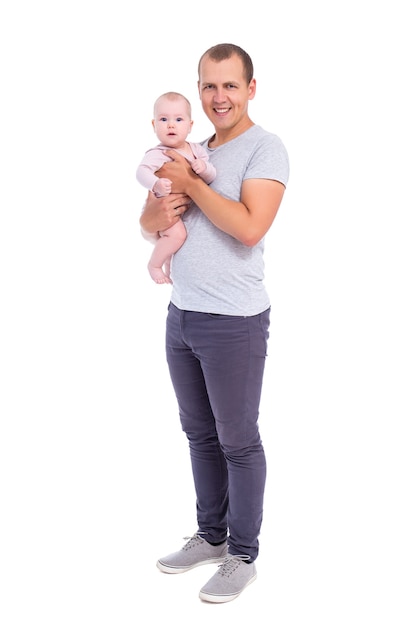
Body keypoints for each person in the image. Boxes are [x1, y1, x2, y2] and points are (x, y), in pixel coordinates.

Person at [140, 43, 289, 603]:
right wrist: (160, 202)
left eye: (229, 85)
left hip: (234, 322)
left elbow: (249, 228)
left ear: (251, 88)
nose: (218, 96)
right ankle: (210, 534)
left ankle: (242, 555)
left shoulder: (265, 149)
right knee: (198, 434)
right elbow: (149, 219)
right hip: (182, 314)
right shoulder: (191, 147)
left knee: (238, 441)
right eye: (208, 85)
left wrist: (192, 184)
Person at [136, 91, 216, 284]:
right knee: (177, 235)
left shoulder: (196, 150)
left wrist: (203, 168)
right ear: (154, 125)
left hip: (179, 210)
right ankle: (154, 265)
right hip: (164, 207)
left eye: (179, 119)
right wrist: (155, 183)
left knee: (176, 243)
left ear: (190, 126)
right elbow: (141, 172)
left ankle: (169, 271)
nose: (171, 124)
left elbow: (212, 175)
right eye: (163, 119)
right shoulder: (159, 153)